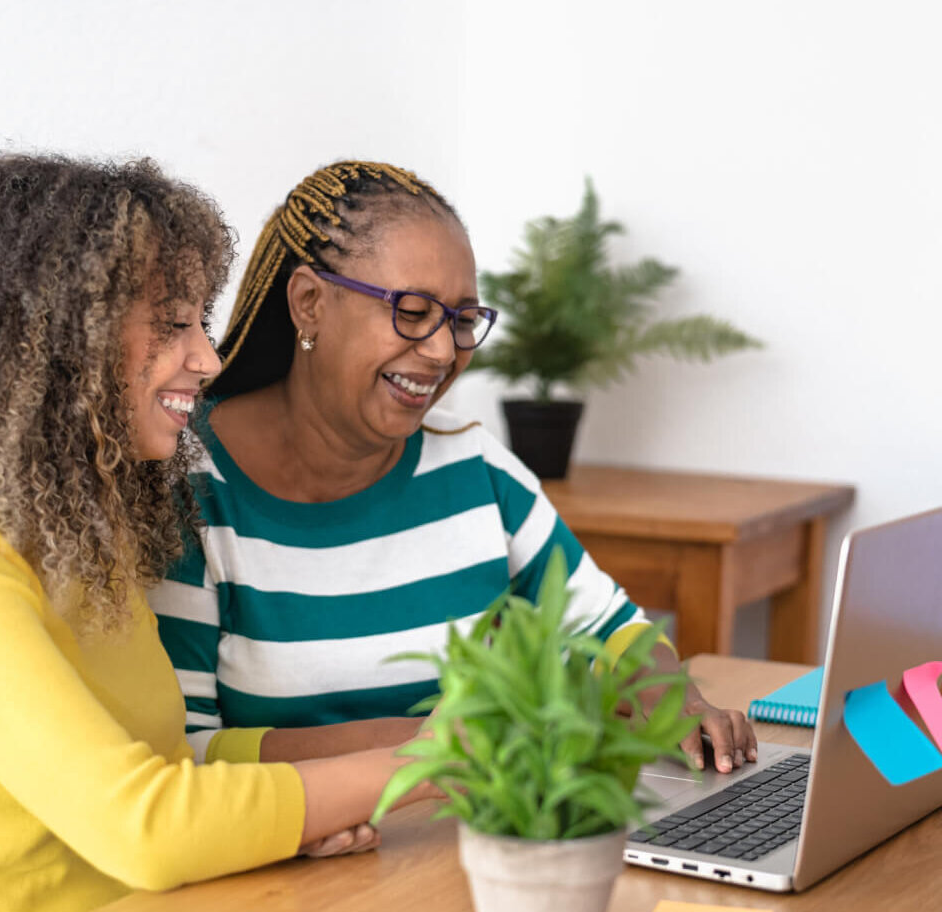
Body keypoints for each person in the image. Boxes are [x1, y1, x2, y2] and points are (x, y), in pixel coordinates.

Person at [0, 155, 426, 912]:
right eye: (173, 324)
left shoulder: (79, 537)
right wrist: (430, 766)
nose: (208, 358)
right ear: (52, 342)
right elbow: (145, 826)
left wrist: (386, 749)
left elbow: (167, 767)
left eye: (200, 321)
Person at [153, 160, 756, 775]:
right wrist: (426, 744)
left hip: (462, 845)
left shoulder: (472, 465)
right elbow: (190, 748)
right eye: (411, 312)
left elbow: (610, 627)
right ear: (309, 302)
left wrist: (673, 694)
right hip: (295, 863)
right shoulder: (191, 492)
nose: (443, 350)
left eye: (462, 321)